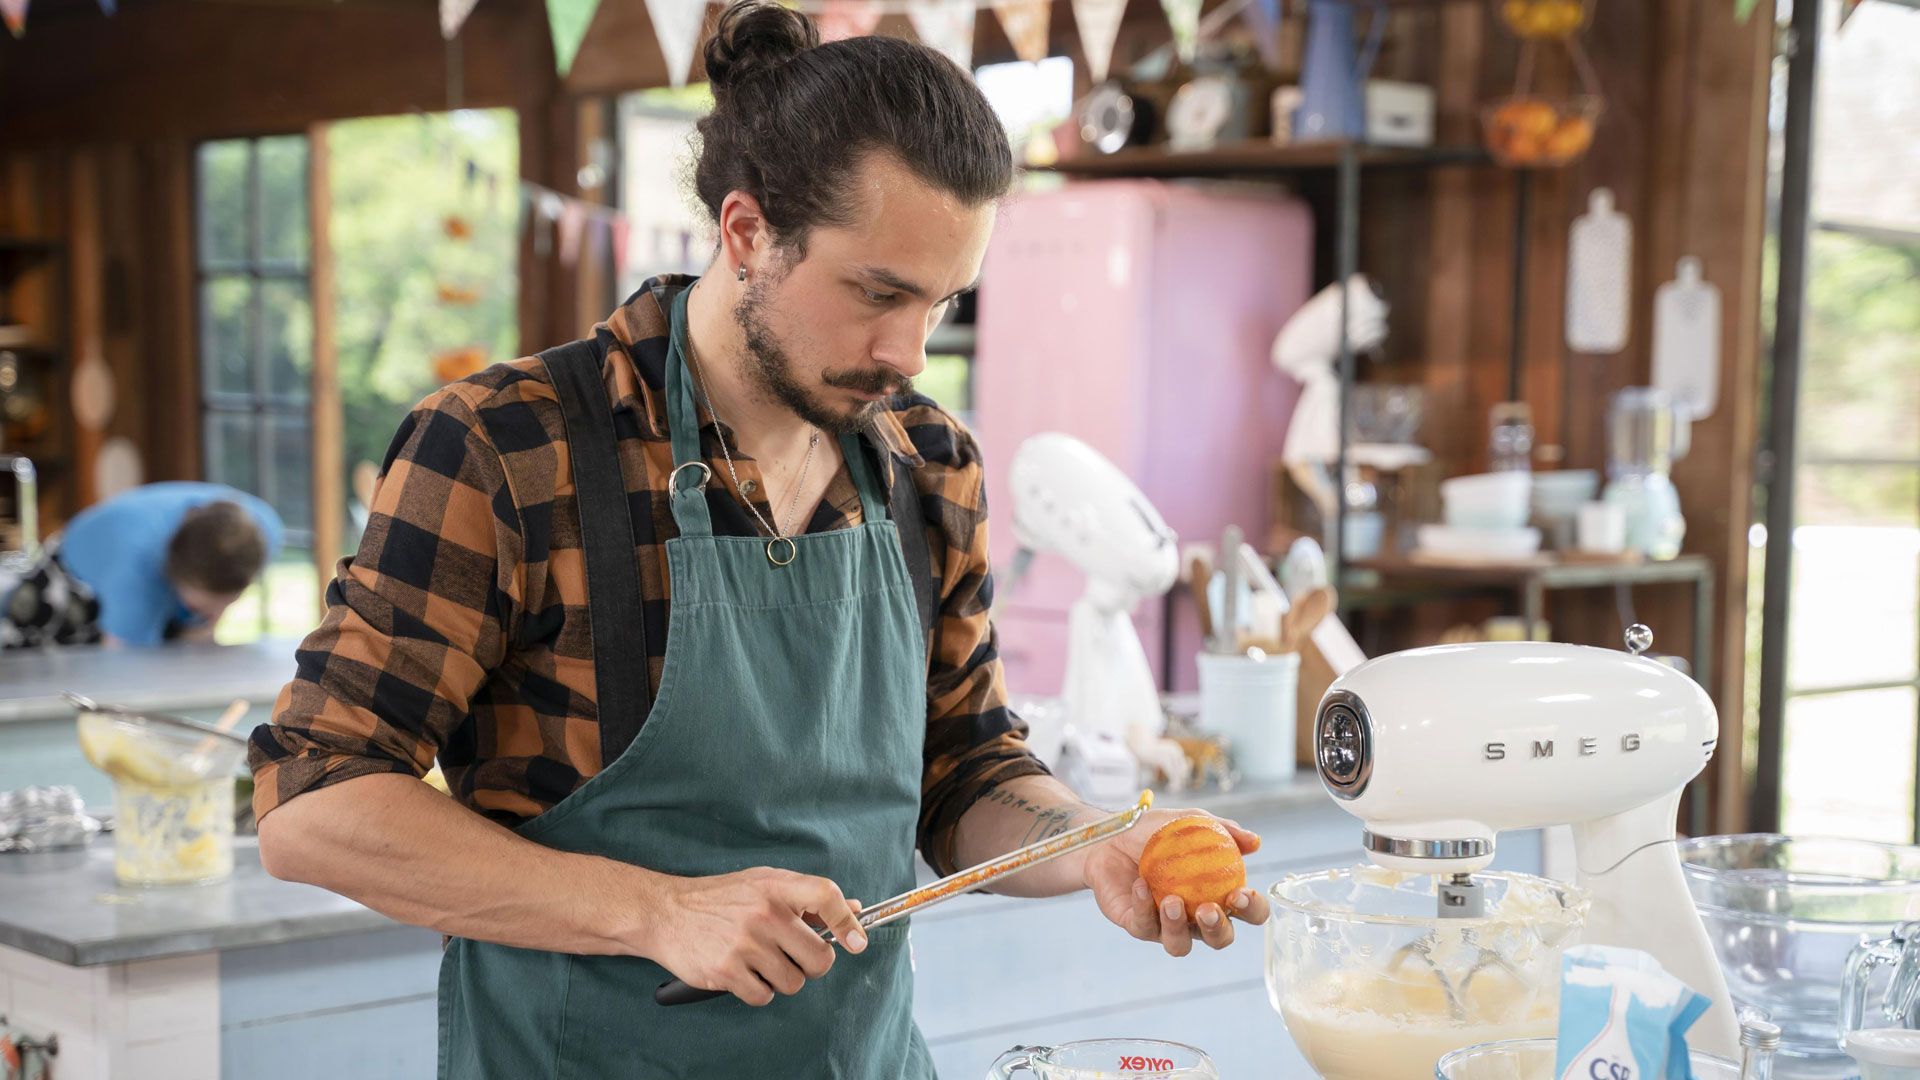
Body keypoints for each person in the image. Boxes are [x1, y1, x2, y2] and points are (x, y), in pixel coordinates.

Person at [248, 5, 1270, 1076]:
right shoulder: (506, 449)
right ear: (747, 235)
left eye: (942, 301)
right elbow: (313, 803)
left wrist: (1092, 840)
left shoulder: (929, 465)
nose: (908, 352)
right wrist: (654, 911)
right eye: (877, 293)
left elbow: (962, 772)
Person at [55, 481, 281, 647]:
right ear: (173, 575)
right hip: (74, 575)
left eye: (228, 601)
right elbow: (122, 669)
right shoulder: (134, 572)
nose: (217, 614)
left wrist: (201, 626)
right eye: (199, 606)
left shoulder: (263, 532)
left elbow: (200, 632)